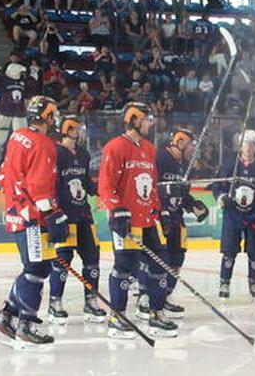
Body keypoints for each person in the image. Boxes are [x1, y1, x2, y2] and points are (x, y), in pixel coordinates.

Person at [0, 96, 67, 349]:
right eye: (53, 114)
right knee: (36, 269)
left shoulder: (17, 135)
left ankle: (5, 319)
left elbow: (8, 173)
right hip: (31, 217)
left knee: (35, 267)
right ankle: (26, 327)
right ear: (48, 117)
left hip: (17, 211)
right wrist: (53, 215)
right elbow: (39, 187)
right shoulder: (43, 144)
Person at [98, 102, 179, 338]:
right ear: (133, 120)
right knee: (125, 267)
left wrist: (161, 211)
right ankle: (117, 316)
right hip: (126, 220)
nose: (149, 124)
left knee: (160, 264)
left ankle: (156, 313)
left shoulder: (149, 148)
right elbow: (105, 185)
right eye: (146, 119)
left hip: (147, 219)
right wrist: (116, 209)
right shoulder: (115, 146)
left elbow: (152, 185)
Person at [47, 116, 108, 324]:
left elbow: (86, 181)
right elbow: (52, 184)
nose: (80, 132)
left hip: (84, 215)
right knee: (62, 261)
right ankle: (55, 303)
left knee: (92, 259)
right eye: (77, 129)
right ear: (67, 130)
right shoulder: (56, 153)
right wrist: (56, 213)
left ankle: (91, 302)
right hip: (65, 216)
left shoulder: (83, 153)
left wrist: (101, 190)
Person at [211, 130, 255, 299]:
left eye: (252, 144)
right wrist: (221, 197)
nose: (248, 147)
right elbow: (217, 185)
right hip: (233, 215)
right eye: (246, 143)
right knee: (229, 250)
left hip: (254, 216)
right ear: (240, 145)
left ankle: (253, 282)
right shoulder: (229, 165)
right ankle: (224, 282)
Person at [152, 129, 209, 317]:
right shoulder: (160, 158)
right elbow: (149, 188)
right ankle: (147, 297)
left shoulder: (185, 165)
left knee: (177, 259)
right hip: (159, 217)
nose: (194, 149)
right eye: (192, 145)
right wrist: (165, 197)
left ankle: (165, 297)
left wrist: (193, 205)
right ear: (181, 142)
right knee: (159, 260)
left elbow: (182, 194)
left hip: (177, 218)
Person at [0, 62, 37, 151]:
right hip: (4, 109)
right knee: (0, 127)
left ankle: (22, 146)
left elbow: (32, 84)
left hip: (19, 111)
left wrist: (34, 73)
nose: (21, 74)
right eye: (20, 72)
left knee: (22, 130)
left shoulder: (22, 81)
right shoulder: (3, 80)